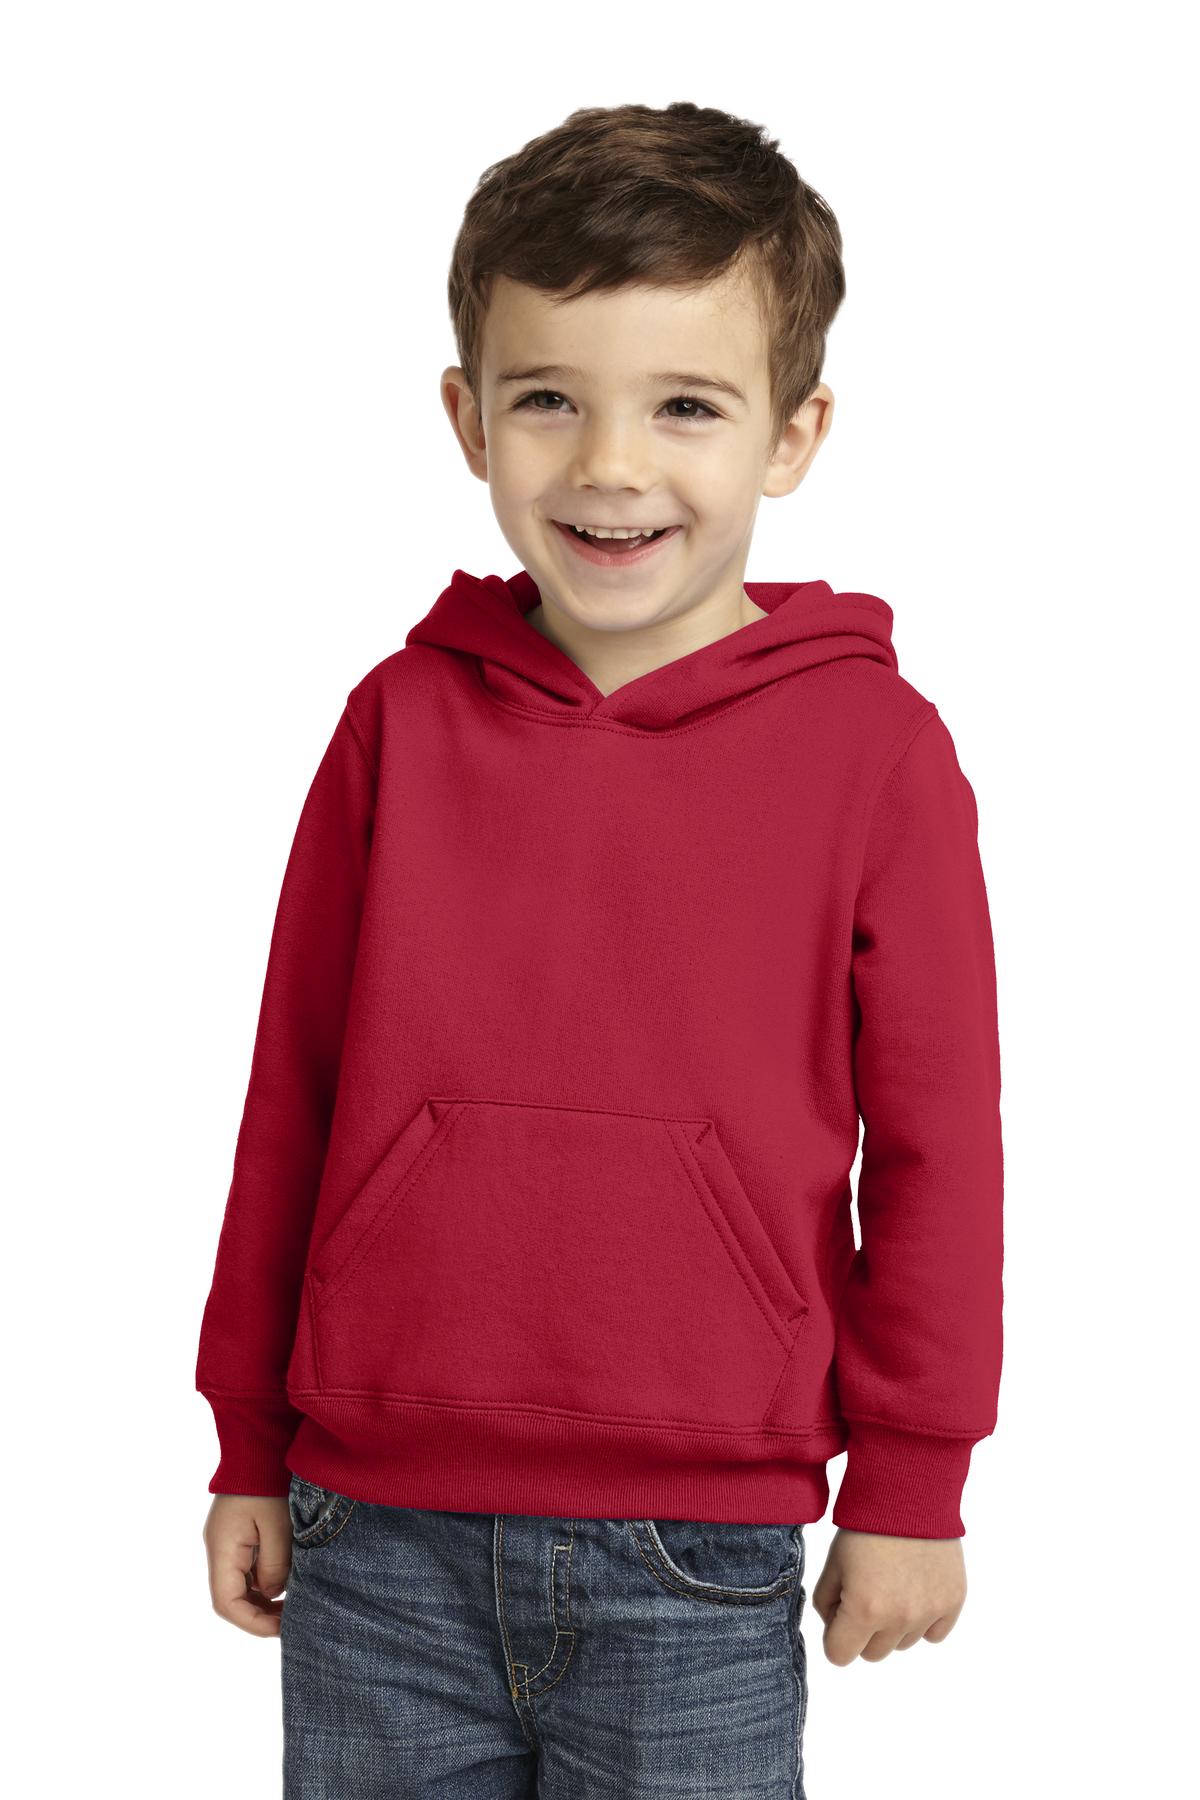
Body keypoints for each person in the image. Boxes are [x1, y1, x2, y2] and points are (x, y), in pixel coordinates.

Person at [196, 100, 1004, 1798]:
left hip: (694, 1559)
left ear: (794, 433)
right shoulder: (398, 724)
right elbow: (294, 1096)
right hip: (372, 1537)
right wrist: (249, 1441)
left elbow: (939, 1146)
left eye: (685, 405)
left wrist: (915, 1480)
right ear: (467, 417)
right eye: (549, 399)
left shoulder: (876, 753)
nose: (610, 466)